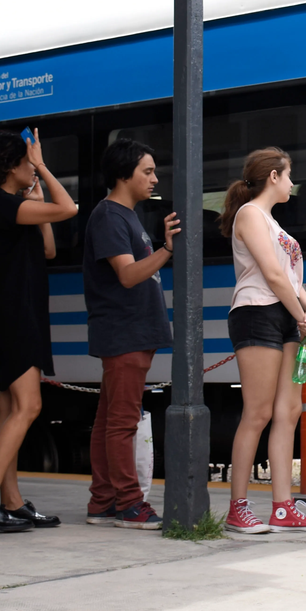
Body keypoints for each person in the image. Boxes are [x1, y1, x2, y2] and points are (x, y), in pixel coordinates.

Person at [0, 129, 77, 533]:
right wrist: (44, 169)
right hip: (14, 314)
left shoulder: (11, 208)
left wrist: (37, 199)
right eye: (27, 162)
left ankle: (9, 500)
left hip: (21, 311)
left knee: (8, 407)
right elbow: (70, 208)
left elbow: (47, 248)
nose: (33, 167)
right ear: (11, 165)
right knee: (29, 406)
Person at [218, 147, 306, 534]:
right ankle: (238, 508)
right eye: (289, 175)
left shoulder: (273, 224)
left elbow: (294, 284)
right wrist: (305, 319)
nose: (293, 183)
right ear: (273, 177)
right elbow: (274, 276)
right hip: (257, 314)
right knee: (259, 412)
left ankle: (283, 507)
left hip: (286, 319)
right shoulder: (250, 215)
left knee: (289, 412)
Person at [82, 140, 178, 531]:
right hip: (124, 332)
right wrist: (166, 251)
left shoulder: (126, 216)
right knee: (122, 423)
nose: (154, 179)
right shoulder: (109, 216)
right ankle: (128, 503)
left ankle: (103, 501)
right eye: (147, 171)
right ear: (124, 174)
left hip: (132, 332)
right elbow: (127, 274)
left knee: (110, 421)